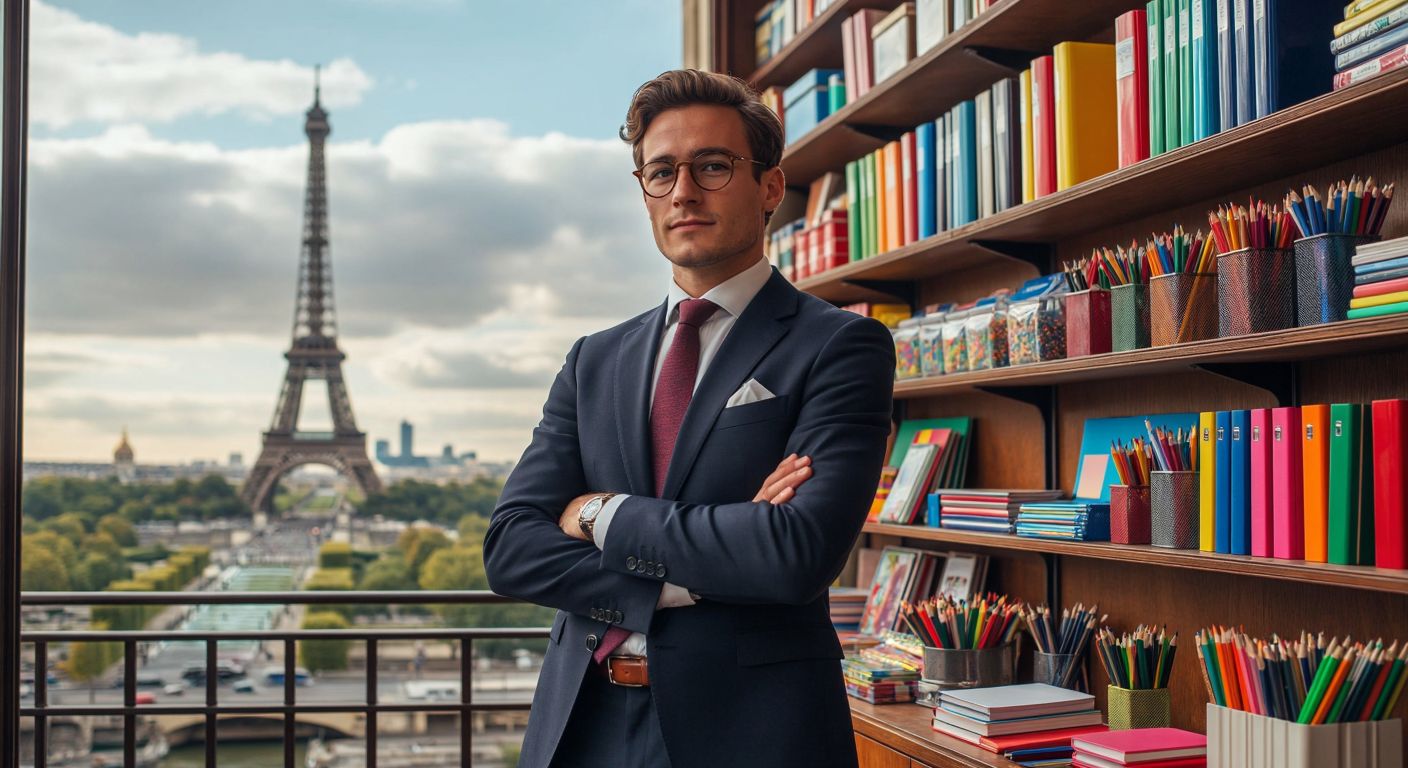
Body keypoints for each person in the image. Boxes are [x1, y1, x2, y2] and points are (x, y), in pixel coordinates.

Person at [483, 69, 895, 768]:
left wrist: (599, 514)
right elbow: (511, 548)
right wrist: (690, 575)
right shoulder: (593, 359)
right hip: (584, 726)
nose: (683, 191)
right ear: (643, 192)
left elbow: (793, 552)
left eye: (712, 165)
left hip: (753, 735)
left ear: (770, 187)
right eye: (660, 172)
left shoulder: (840, 345)